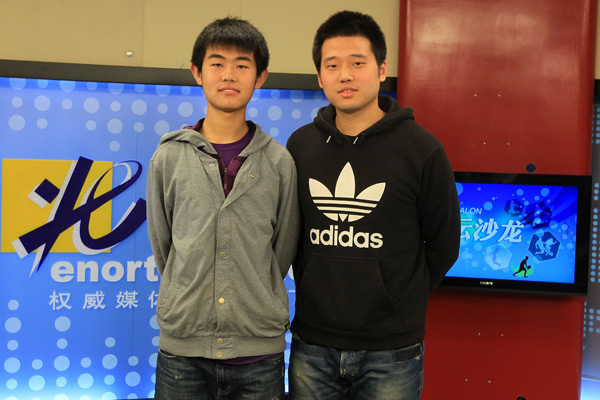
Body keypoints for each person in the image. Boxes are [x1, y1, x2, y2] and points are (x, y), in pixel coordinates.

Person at [286, 10, 461, 399]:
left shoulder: (422, 149)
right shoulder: (299, 146)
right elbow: (289, 235)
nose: (344, 75)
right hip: (313, 345)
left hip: (392, 351)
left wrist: (398, 300)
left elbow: (445, 244)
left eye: (357, 63)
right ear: (320, 77)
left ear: (381, 70)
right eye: (332, 65)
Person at [146, 17, 299, 400]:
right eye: (217, 63)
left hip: (259, 354)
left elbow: (281, 252)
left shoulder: (279, 162)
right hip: (183, 353)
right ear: (197, 72)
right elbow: (165, 247)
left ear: (260, 77)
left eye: (242, 65)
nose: (229, 74)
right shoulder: (168, 158)